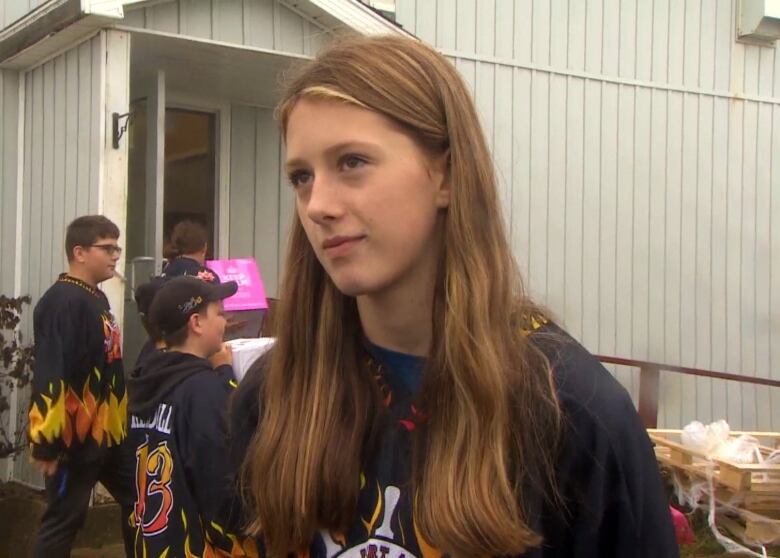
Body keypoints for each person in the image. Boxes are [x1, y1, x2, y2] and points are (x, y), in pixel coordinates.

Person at [232, 35, 679, 558]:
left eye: (352, 162)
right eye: (301, 177)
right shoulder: (274, 397)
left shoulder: (570, 410)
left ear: (443, 174)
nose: (318, 205)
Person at [126, 276, 256, 557]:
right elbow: (222, 484)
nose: (224, 322)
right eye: (219, 314)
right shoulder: (201, 389)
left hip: (155, 541)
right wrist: (224, 374)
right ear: (196, 323)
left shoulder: (146, 381)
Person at [28, 215, 134, 557]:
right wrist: (46, 442)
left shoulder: (97, 299)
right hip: (73, 439)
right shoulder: (61, 302)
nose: (116, 255)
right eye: (107, 248)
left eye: (117, 247)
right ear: (80, 252)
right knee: (64, 520)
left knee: (144, 502)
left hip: (108, 435)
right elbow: (51, 371)